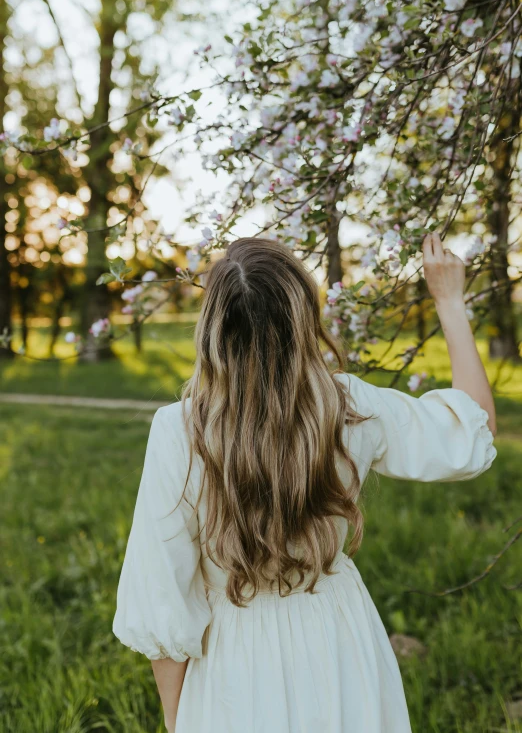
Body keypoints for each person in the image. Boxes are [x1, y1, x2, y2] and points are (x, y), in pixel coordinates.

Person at [113, 232, 496, 733]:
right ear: (303, 321)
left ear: (212, 328)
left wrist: (175, 716)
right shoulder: (347, 406)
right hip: (340, 642)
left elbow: (162, 597)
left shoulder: (179, 430)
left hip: (234, 661)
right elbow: (475, 433)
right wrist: (449, 302)